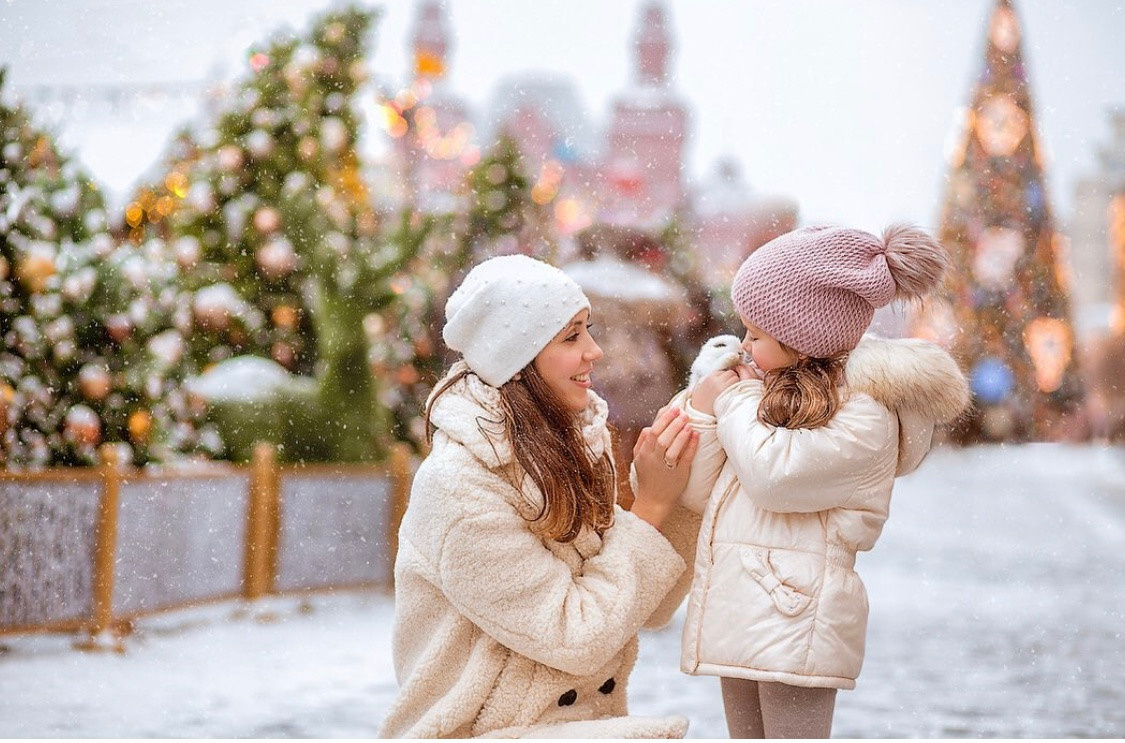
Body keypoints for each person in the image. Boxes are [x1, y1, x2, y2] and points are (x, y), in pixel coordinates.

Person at [379, 254, 703, 739]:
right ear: (519, 357)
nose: (594, 351)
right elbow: (578, 636)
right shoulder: (460, 489)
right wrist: (652, 506)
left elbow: (646, 608)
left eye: (588, 330)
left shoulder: (571, 450)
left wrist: (682, 488)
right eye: (572, 337)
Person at [668, 224, 971, 738]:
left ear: (804, 339)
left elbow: (773, 477)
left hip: (797, 616)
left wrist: (733, 400)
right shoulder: (770, 394)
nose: (744, 346)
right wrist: (702, 409)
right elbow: (699, 492)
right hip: (738, 608)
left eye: (756, 335)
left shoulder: (865, 415)